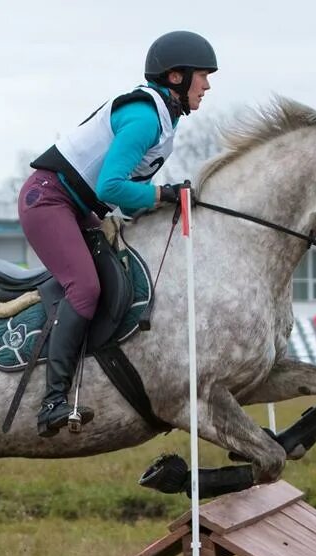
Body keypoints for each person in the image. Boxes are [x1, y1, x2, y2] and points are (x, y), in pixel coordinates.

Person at [18, 31, 217, 437]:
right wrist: (163, 193)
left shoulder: (163, 121)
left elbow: (124, 201)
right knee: (85, 289)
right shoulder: (146, 118)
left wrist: (162, 200)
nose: (208, 86)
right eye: (203, 76)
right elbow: (111, 188)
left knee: (119, 277)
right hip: (50, 201)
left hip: (75, 206)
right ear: (177, 77)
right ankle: (52, 400)